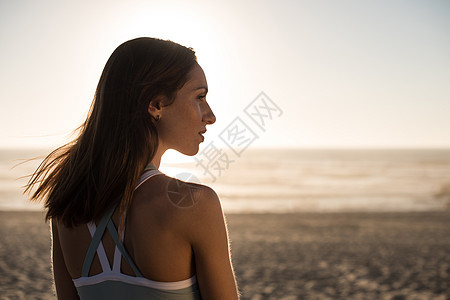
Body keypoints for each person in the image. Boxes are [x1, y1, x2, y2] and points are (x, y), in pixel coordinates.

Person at [26, 37, 239, 299]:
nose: (210, 115)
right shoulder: (195, 205)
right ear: (156, 105)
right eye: (200, 97)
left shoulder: (66, 205)